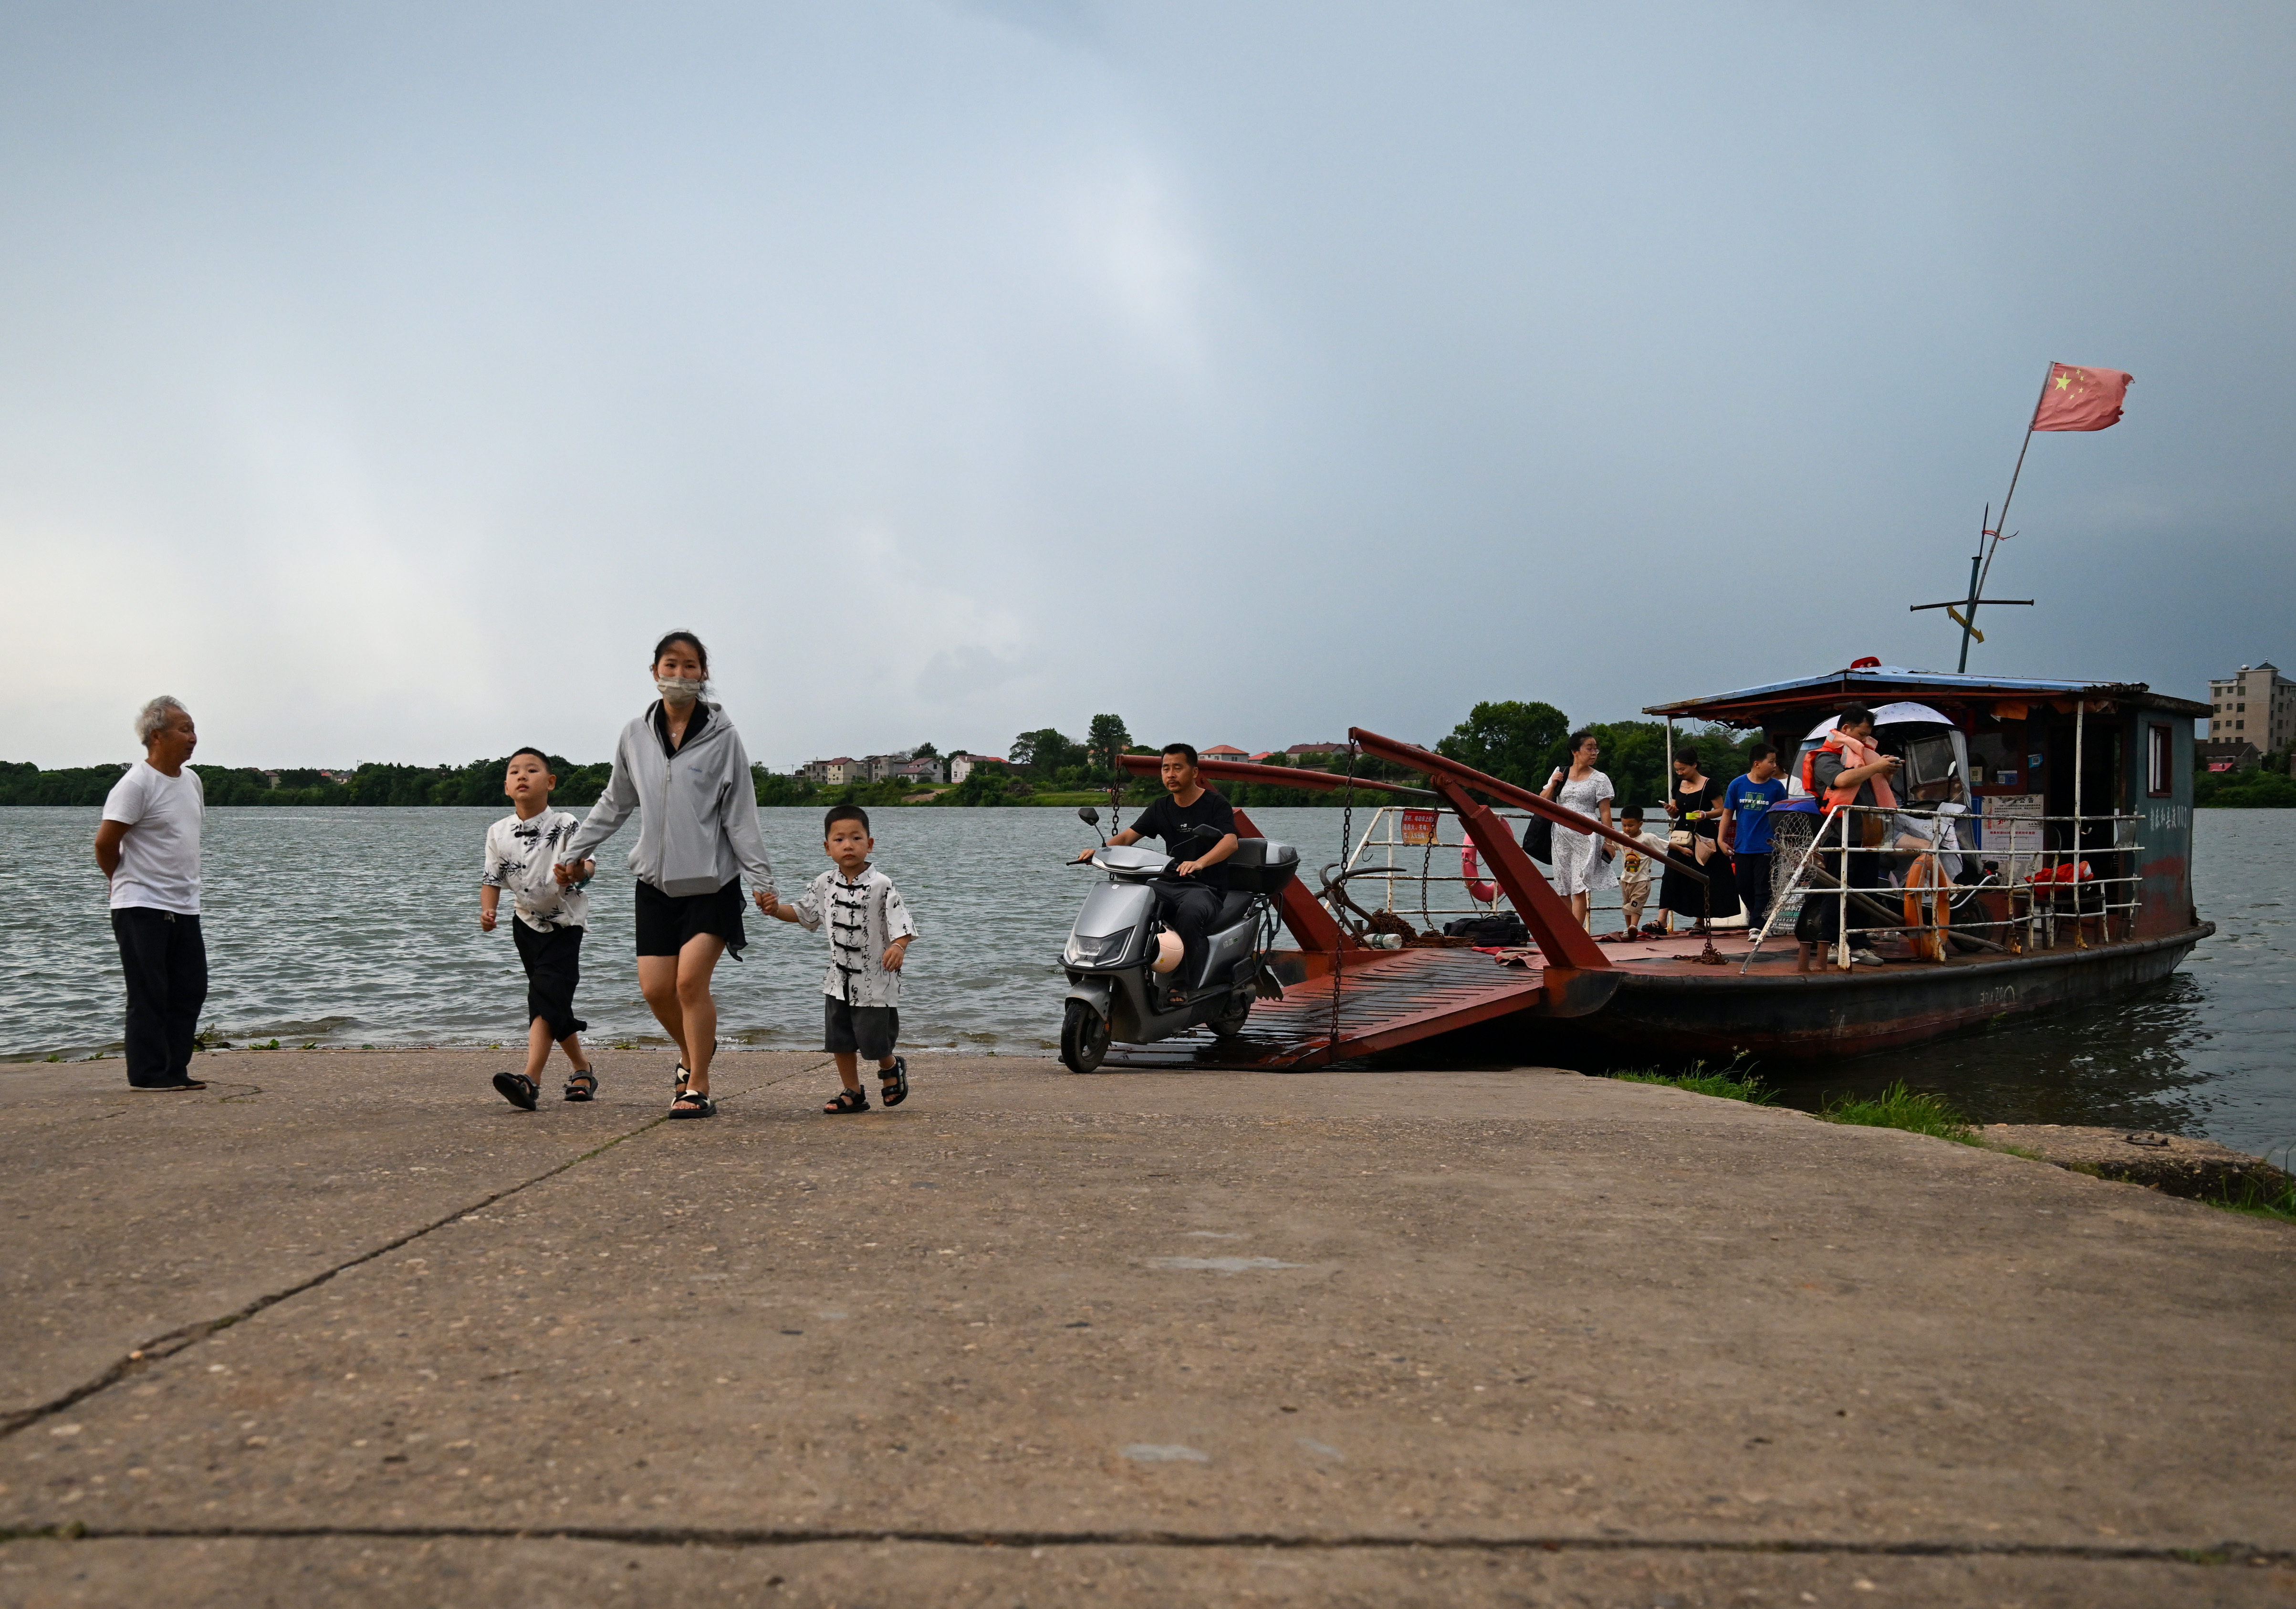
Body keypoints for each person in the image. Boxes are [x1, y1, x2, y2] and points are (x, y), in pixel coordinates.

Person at [557, 632, 778, 1118]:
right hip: (655, 886)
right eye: (671, 665)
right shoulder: (634, 734)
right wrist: (576, 852)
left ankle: (696, 1083)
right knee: (657, 990)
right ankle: (695, 1049)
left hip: (712, 885)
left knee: (689, 985)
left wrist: (762, 882)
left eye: (691, 666)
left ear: (704, 675)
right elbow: (615, 801)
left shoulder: (725, 739)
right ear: (655, 671)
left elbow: (741, 817)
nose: (680, 675)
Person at [766, 805, 918, 1114]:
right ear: (827, 847)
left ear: (870, 843)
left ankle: (891, 1067)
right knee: (840, 1040)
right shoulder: (823, 884)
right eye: (839, 839)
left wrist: (899, 947)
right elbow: (801, 913)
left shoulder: (882, 885)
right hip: (838, 982)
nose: (848, 845)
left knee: (874, 1041)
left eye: (856, 838)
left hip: (875, 981)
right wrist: (773, 908)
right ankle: (853, 1091)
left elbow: (903, 924)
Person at [94, 697, 209, 1091]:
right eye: (184, 729)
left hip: (184, 905)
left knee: (191, 989)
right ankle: (147, 1074)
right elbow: (105, 844)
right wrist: (122, 881)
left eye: (193, 729)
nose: (193, 737)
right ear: (156, 736)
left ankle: (174, 1069)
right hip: (140, 906)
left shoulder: (191, 781)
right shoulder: (136, 784)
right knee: (149, 993)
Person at [480, 749, 600, 1110]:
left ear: (549, 782)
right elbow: (492, 878)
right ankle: (582, 1070)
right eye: (514, 771)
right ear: (506, 787)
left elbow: (589, 866)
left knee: (544, 996)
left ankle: (530, 1080)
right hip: (525, 924)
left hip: (564, 923)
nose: (522, 776)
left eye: (532, 770)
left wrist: (575, 872)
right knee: (552, 1000)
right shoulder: (498, 831)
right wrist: (488, 909)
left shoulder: (565, 823)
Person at [1076, 744, 1237, 999]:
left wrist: (1200, 863)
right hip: (1169, 883)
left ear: (1195, 772)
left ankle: (1181, 985)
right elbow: (1128, 836)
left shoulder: (1215, 803)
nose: (1170, 774)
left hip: (1206, 888)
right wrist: (1098, 851)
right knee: (1130, 903)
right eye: (1166, 768)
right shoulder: (1161, 807)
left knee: (1190, 913)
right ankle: (1127, 973)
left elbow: (1230, 841)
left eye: (1178, 768)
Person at [1794, 706, 1902, 971]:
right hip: (1840, 834)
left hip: (1869, 832)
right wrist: (1876, 765)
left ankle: (1858, 942)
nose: (1866, 740)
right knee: (1837, 891)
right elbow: (1841, 781)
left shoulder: (1866, 758)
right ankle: (1831, 942)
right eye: (1862, 734)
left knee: (1864, 890)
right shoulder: (1825, 756)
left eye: (1868, 736)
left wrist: (1884, 770)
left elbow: (1872, 786)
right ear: (1846, 729)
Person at [1540, 730, 1616, 931]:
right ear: (1575, 751)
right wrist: (1554, 783)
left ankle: (1576, 933)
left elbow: (1605, 813)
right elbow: (1542, 801)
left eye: (1595, 749)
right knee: (1563, 885)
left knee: (1578, 885)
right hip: (1560, 835)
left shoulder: (1600, 779)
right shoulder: (1561, 772)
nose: (1594, 753)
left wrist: (1609, 841)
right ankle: (1566, 931)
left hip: (1586, 835)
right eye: (1589, 748)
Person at [1659, 751, 1743, 932]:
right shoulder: (1678, 785)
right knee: (1671, 873)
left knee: (1703, 874)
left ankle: (1700, 920)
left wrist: (1705, 814)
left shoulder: (1709, 784)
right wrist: (1671, 810)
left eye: (1683, 769)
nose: (1680, 773)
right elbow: (1676, 813)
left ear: (1694, 765)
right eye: (1677, 770)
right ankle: (1661, 919)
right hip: (1681, 834)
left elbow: (1721, 810)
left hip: (1704, 834)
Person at [1721, 744, 1790, 931]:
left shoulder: (1777, 788)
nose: (1775, 766)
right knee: (1743, 886)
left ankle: (1757, 925)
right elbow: (1728, 813)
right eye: (1772, 762)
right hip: (1743, 846)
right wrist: (1721, 840)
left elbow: (1783, 816)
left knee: (1763, 887)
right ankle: (1760, 917)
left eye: (1776, 762)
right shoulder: (1737, 784)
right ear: (1757, 764)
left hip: (1768, 846)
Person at [1608, 804, 1671, 939]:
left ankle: (1634, 926)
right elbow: (1609, 842)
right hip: (1626, 880)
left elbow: (1666, 845)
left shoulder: (1647, 838)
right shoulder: (1621, 837)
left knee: (1636, 905)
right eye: (1624, 825)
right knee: (1627, 907)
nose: (1627, 829)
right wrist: (1609, 833)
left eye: (1631, 825)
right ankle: (1629, 929)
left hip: (1642, 880)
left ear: (1640, 824)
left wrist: (1683, 849)